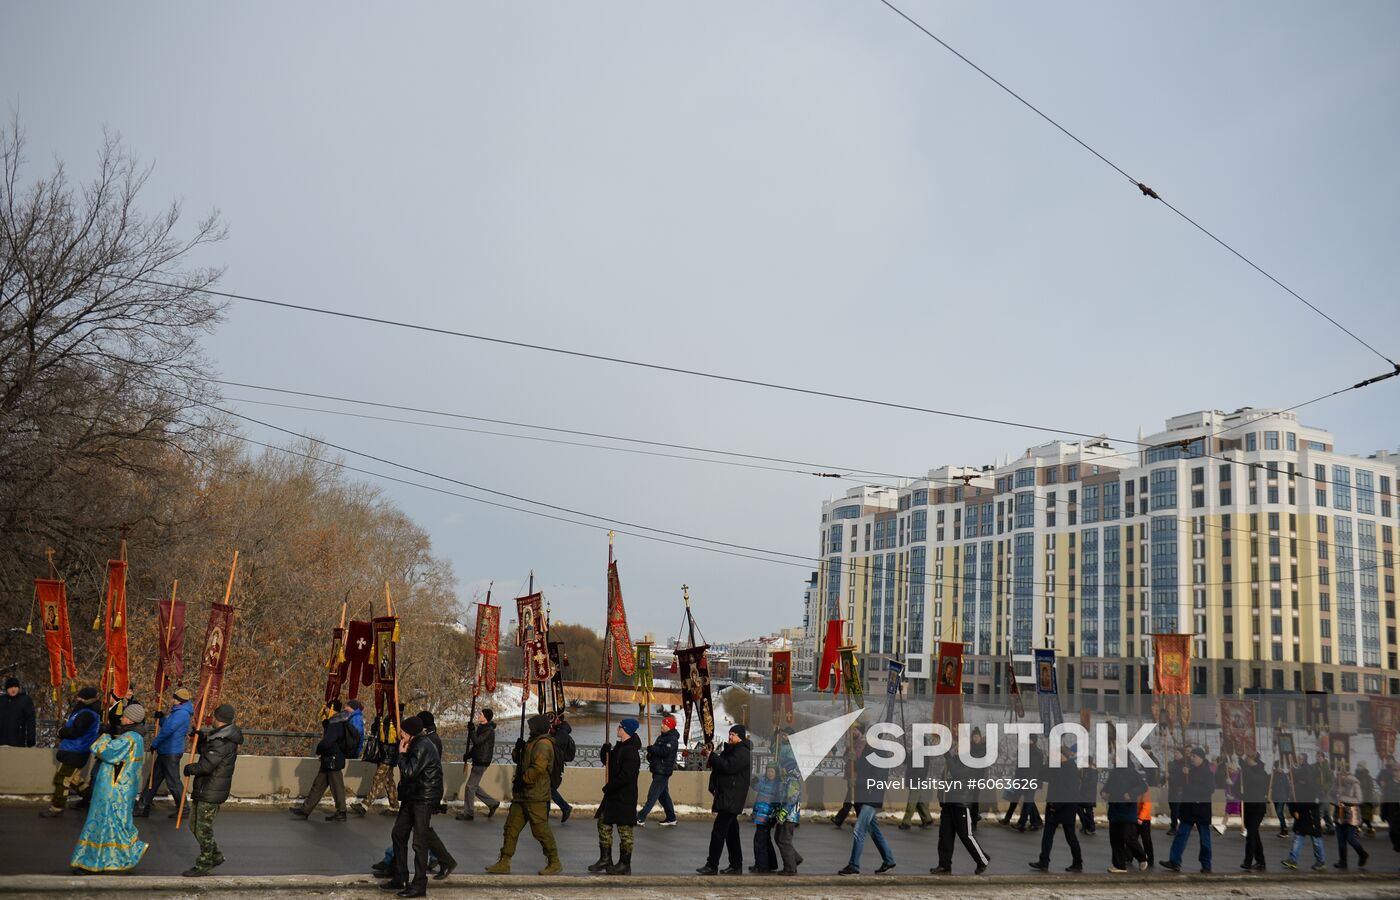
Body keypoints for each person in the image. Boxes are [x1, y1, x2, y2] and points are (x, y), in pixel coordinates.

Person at [70, 703, 147, 874]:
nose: (121, 718)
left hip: (114, 790)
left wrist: (104, 735)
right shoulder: (136, 738)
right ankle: (122, 856)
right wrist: (112, 733)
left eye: (124, 716)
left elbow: (107, 752)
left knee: (103, 825)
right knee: (116, 825)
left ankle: (93, 863)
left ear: (131, 719)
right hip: (122, 789)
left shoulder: (129, 738)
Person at [486, 713, 561, 875]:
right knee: (511, 827)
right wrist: (517, 749)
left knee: (540, 830)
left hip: (536, 795)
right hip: (522, 795)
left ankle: (554, 861)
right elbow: (519, 761)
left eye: (531, 727)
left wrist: (523, 780)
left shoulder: (543, 745)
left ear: (538, 728)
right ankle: (504, 861)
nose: (529, 729)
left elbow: (538, 769)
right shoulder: (532, 742)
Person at [379, 716, 445, 898]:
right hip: (413, 796)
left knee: (419, 842)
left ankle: (419, 884)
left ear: (408, 733)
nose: (400, 734)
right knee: (398, 833)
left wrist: (401, 754)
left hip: (423, 798)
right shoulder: (416, 743)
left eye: (402, 732)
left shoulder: (422, 745)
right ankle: (400, 877)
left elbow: (409, 772)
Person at [181, 703, 242, 877]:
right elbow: (208, 753)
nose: (212, 720)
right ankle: (215, 855)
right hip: (206, 788)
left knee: (203, 828)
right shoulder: (218, 738)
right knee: (194, 825)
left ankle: (204, 863)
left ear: (219, 719)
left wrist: (190, 768)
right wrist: (201, 739)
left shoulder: (223, 742)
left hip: (211, 790)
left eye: (214, 717)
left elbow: (207, 766)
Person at [837, 724, 895, 876]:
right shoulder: (868, 751)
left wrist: (858, 782)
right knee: (874, 830)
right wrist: (852, 760)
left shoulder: (881, 754)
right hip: (864, 795)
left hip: (872, 796)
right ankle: (888, 859)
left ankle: (854, 865)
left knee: (859, 830)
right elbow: (860, 769)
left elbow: (878, 779)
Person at [698, 724, 753, 875]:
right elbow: (721, 766)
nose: (730, 737)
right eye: (729, 734)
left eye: (733, 734)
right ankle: (736, 865)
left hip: (732, 798)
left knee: (718, 832)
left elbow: (729, 767)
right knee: (731, 833)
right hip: (727, 796)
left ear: (740, 736)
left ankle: (712, 865)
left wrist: (712, 756)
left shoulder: (743, 752)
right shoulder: (732, 750)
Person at [42, 685, 102, 817]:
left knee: (62, 780)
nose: (77, 699)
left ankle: (57, 808)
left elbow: (76, 731)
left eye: (80, 697)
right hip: (77, 751)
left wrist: (61, 732)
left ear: (86, 699)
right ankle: (93, 800)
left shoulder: (86, 714)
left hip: (75, 751)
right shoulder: (88, 712)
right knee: (74, 780)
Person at [931, 743, 989, 875]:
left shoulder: (970, 762)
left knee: (965, 835)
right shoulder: (952, 761)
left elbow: (957, 773)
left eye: (960, 748)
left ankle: (982, 860)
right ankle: (944, 864)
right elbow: (944, 780)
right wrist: (941, 797)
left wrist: (948, 757)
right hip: (948, 804)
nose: (957, 750)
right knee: (945, 836)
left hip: (961, 803)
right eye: (956, 748)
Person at [593, 717, 641, 876]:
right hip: (613, 795)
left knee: (624, 830)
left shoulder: (632, 751)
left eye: (619, 727)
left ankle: (624, 864)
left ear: (625, 730)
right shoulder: (621, 747)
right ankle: (605, 858)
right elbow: (609, 762)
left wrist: (609, 787)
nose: (617, 728)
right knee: (603, 823)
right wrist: (605, 751)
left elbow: (627, 776)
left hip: (624, 797)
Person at [135, 686, 193, 817]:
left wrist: (155, 743)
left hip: (171, 751)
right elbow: (168, 726)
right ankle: (143, 806)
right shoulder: (178, 712)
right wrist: (161, 719)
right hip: (166, 750)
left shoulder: (181, 713)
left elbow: (168, 730)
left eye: (174, 698)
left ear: (180, 700)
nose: (172, 700)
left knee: (173, 782)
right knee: (154, 780)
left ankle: (184, 809)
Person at [291, 699, 352, 821]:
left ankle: (342, 812)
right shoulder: (336, 721)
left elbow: (328, 741)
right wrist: (325, 719)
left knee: (337, 787)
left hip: (332, 759)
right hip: (329, 759)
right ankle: (305, 810)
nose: (325, 710)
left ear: (332, 709)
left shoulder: (335, 723)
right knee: (318, 785)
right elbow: (328, 729)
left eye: (327, 708)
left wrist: (319, 749)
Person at [1028, 742, 1084, 873]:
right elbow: (1041, 775)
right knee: (1047, 836)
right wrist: (1048, 764)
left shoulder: (1071, 768)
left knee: (1070, 836)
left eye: (1055, 754)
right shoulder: (1055, 766)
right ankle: (1043, 861)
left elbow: (1070, 791)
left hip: (1066, 807)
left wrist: (1057, 805)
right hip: (1053, 806)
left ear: (1063, 755)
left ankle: (1078, 863)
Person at [1162, 745, 1215, 873]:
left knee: (1205, 839)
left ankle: (1206, 864)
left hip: (1202, 809)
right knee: (1181, 835)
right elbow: (1179, 784)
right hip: (1188, 809)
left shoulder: (1207, 772)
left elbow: (1209, 790)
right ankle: (1174, 861)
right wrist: (1179, 775)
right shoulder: (1188, 770)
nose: (1192, 758)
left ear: (1201, 758)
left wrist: (1190, 785)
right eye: (1191, 756)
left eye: (1194, 756)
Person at [1102, 761, 1148, 873]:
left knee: (1128, 837)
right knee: (1115, 839)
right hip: (1114, 809)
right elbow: (1106, 787)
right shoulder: (1113, 773)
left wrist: (1131, 794)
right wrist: (1103, 793)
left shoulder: (1132, 772)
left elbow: (1143, 787)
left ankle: (1142, 857)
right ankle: (1119, 866)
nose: (1114, 759)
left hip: (1127, 810)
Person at [456, 708, 499, 820]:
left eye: (481, 714)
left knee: (470, 787)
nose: (479, 715)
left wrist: (471, 730)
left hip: (481, 761)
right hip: (479, 759)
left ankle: (469, 813)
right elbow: (477, 747)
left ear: (485, 717)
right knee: (473, 786)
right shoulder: (483, 728)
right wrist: (469, 755)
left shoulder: (488, 730)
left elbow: (477, 741)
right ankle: (492, 803)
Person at [359, 707, 402, 816]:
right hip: (385, 755)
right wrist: (378, 720)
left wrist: (381, 722)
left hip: (388, 757)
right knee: (388, 782)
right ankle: (394, 806)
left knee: (378, 779)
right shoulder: (388, 720)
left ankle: (365, 805)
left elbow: (388, 738)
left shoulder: (397, 723)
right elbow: (375, 730)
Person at [1282, 762, 1325, 871]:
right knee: (1298, 838)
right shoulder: (1297, 787)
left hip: (1311, 817)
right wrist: (1293, 810)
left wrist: (1298, 807)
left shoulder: (1314, 788)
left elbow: (1315, 803)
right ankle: (1293, 859)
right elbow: (1291, 801)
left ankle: (1321, 861)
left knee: (1316, 841)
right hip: (1300, 818)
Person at [637, 715, 679, 826]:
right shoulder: (661, 737)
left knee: (653, 794)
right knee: (663, 796)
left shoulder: (672, 739)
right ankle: (671, 818)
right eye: (662, 723)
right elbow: (655, 753)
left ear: (670, 727)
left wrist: (653, 749)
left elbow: (665, 752)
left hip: (663, 772)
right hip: (657, 770)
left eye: (664, 724)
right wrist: (650, 755)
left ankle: (640, 817)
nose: (662, 725)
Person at [772, 741, 804, 875]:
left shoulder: (793, 780)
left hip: (789, 816)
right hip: (784, 814)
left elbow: (791, 799)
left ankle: (790, 868)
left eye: (783, 767)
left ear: (788, 767)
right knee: (778, 837)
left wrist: (783, 813)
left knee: (784, 840)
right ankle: (795, 858)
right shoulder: (787, 779)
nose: (781, 769)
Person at [1333, 766, 1369, 869]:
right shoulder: (1336, 783)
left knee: (1350, 838)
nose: (1338, 777)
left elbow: (1359, 799)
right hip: (1339, 815)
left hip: (1351, 816)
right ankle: (1342, 861)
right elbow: (1330, 796)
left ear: (1346, 775)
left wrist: (1343, 799)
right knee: (1340, 839)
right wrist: (1336, 801)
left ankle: (1362, 854)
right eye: (1337, 775)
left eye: (1340, 775)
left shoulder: (1354, 783)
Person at [1240, 751, 1269, 871]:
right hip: (1247, 807)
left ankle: (1248, 861)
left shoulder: (1262, 772)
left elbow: (1253, 779)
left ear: (1254, 760)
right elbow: (1241, 786)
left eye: (1248, 758)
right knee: (1254, 835)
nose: (1246, 760)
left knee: (1251, 834)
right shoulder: (1245, 772)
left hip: (1258, 808)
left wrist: (1242, 764)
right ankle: (1261, 861)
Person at [750, 763, 782, 873]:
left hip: (767, 816)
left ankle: (762, 865)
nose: (770, 773)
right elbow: (756, 786)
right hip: (760, 815)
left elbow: (775, 797)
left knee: (759, 841)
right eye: (768, 771)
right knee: (765, 840)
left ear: (776, 773)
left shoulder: (777, 785)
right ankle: (771, 863)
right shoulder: (763, 781)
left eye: (772, 771)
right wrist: (753, 780)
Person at [548, 712, 574, 823]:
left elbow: (553, 744)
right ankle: (548, 811)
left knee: (549, 788)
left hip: (556, 766)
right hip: (552, 763)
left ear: (558, 720)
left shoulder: (562, 733)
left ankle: (565, 807)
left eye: (552, 718)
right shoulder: (557, 731)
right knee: (547, 788)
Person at [0, 677, 37, 747]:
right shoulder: (1, 700)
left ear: (18, 688)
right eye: (10, 687)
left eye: (15, 686)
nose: (13, 689)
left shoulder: (25, 700)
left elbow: (31, 720)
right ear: (7, 689)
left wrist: (31, 738)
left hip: (17, 741)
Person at [1165, 748, 1186, 835]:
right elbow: (1167, 773)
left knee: (1177, 810)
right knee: (1172, 808)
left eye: (1177, 752)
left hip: (1179, 790)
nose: (1175, 754)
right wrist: (1163, 779)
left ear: (1181, 754)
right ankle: (1175, 825)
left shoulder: (1183, 765)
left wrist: (1170, 777)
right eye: (1175, 752)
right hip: (1172, 790)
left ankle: (1175, 827)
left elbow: (1180, 778)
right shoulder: (1171, 764)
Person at [1270, 758, 1292, 836]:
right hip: (1275, 797)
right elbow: (1271, 785)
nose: (1278, 768)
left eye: (1279, 767)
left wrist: (1288, 796)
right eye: (1276, 767)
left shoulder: (1284, 775)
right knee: (1279, 813)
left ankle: (1284, 830)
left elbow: (1287, 786)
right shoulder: (1273, 775)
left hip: (1282, 797)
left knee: (1279, 813)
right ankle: (1282, 829)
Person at [1316, 751, 1336, 834]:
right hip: (1318, 792)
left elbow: (1331, 781)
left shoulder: (1327, 768)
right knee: (1326, 812)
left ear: (1323, 758)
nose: (1318, 758)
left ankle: (1316, 828)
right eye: (1317, 757)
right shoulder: (1317, 767)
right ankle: (1331, 828)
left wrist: (1324, 789)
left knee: (1320, 811)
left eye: (1319, 757)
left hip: (1325, 793)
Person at [1356, 762, 1377, 836]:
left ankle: (1358, 829)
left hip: (1366, 799)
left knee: (1364, 815)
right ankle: (1370, 829)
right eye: (1358, 766)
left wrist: (1369, 799)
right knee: (1361, 815)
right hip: (1357, 799)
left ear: (1364, 767)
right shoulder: (1356, 776)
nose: (1359, 767)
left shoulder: (1368, 777)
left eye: (1360, 766)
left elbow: (1370, 789)